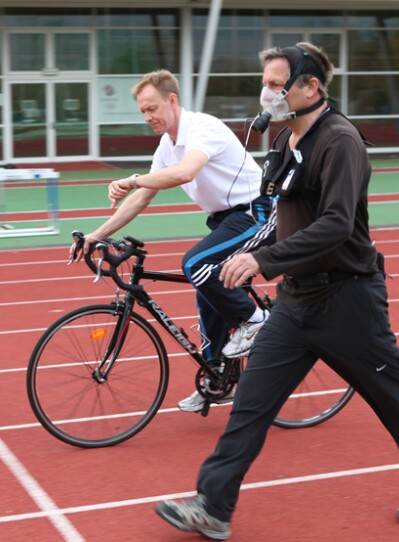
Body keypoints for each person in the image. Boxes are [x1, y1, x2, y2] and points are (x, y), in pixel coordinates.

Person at [155, 43, 399, 540]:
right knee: (252, 402)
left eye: (278, 83)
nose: (268, 92)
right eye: (266, 81)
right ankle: (212, 505)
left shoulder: (340, 141)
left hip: (348, 300)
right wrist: (241, 255)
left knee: (396, 398)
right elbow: (277, 218)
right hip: (296, 301)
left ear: (310, 87)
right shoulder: (282, 145)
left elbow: (337, 224)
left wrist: (261, 261)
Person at [70, 69, 276, 413]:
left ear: (172, 100)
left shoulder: (202, 128)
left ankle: (256, 321)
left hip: (256, 212)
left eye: (152, 108)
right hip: (226, 218)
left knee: (195, 264)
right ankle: (218, 380)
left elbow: (184, 172)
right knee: (207, 291)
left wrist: (133, 179)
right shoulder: (167, 145)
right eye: (142, 112)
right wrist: (95, 235)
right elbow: (141, 198)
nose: (148, 117)